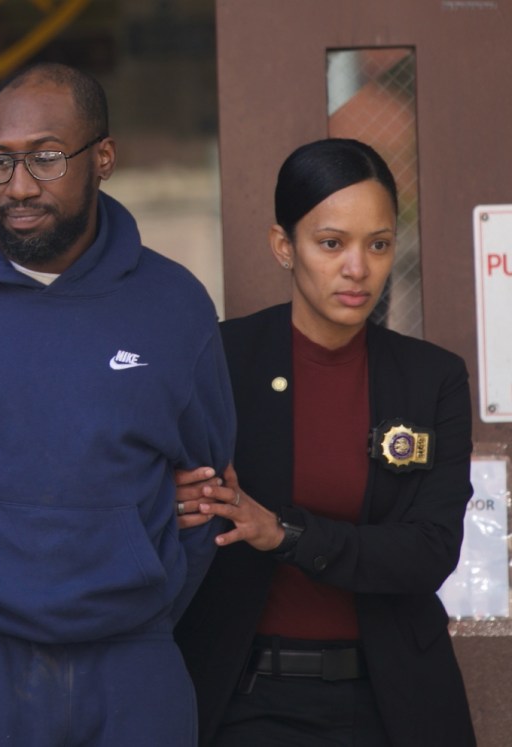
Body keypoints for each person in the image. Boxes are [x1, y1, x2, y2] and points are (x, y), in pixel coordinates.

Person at [0, 62, 236, 747]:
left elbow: (205, 496)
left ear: (104, 158)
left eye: (47, 158)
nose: (18, 186)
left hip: (128, 669)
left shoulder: (175, 308)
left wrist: (140, 597)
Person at [172, 138, 476, 745]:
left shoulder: (431, 378)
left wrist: (283, 532)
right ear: (285, 246)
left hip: (393, 702)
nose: (357, 269)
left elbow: (430, 551)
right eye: (331, 243)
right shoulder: (220, 360)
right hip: (243, 699)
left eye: (379, 244)